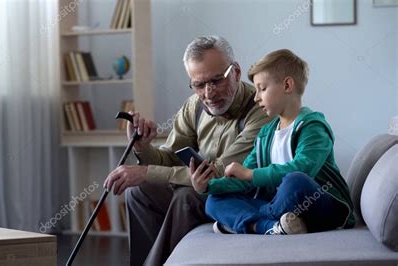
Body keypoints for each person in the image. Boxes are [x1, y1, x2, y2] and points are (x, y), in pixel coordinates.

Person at [103, 35, 271, 265]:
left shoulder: (260, 111)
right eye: (199, 85)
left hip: (240, 195)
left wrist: (146, 171)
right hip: (200, 188)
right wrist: (143, 146)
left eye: (216, 80)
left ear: (236, 72)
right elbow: (170, 158)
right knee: (138, 191)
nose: (209, 93)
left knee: (186, 196)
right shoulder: (194, 106)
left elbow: (221, 173)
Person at [205, 49, 355, 235]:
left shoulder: (313, 127)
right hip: (283, 208)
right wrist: (208, 185)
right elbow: (244, 181)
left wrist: (250, 174)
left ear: (287, 85)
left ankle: (247, 223)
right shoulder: (266, 134)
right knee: (214, 200)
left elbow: (303, 168)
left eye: (262, 88)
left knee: (295, 180)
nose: (256, 97)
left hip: (322, 207)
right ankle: (272, 227)